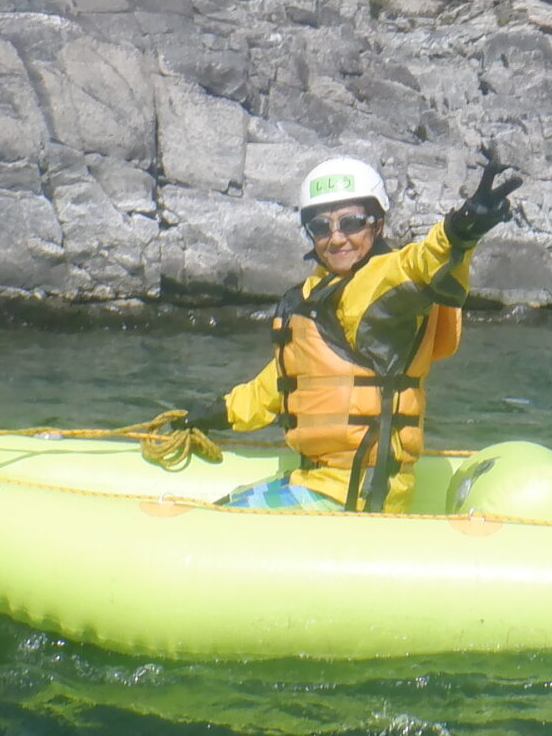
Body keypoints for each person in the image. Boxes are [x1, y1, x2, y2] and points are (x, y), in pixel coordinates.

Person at [181, 151, 522, 512]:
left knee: (211, 524)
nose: (336, 238)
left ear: (376, 225)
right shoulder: (319, 293)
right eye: (320, 226)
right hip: (316, 480)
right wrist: (220, 412)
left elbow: (421, 265)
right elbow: (285, 380)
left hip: (358, 495)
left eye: (351, 222)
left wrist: (460, 231)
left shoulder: (380, 284)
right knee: (221, 507)